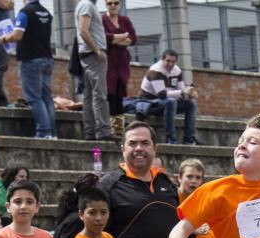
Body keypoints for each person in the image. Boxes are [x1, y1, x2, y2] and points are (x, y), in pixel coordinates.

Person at [2, 1, 57, 139]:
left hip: (31, 59)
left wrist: (4, 38)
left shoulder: (25, 12)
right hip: (47, 58)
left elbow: (17, 36)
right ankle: (52, 133)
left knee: (34, 97)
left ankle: (43, 132)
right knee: (47, 98)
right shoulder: (46, 12)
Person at [139, 50, 202, 145]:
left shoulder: (177, 70)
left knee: (191, 103)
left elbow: (181, 89)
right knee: (170, 102)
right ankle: (171, 139)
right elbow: (162, 94)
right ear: (162, 60)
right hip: (150, 103)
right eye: (168, 61)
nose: (170, 64)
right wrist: (182, 92)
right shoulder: (155, 70)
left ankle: (190, 139)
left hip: (166, 103)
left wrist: (189, 94)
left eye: (173, 61)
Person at [76, 0, 116, 141]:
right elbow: (83, 30)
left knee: (89, 95)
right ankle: (103, 130)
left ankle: (90, 132)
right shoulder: (87, 5)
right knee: (99, 94)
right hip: (93, 55)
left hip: (89, 55)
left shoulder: (88, 5)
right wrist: (97, 51)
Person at [102, 0, 136, 137]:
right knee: (109, 94)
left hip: (122, 64)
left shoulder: (125, 20)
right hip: (108, 64)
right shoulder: (102, 19)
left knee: (120, 94)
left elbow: (133, 39)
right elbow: (104, 38)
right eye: (110, 3)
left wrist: (114, 39)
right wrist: (122, 37)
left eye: (116, 3)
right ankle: (109, 127)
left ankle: (118, 129)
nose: (113, 6)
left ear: (120, 5)